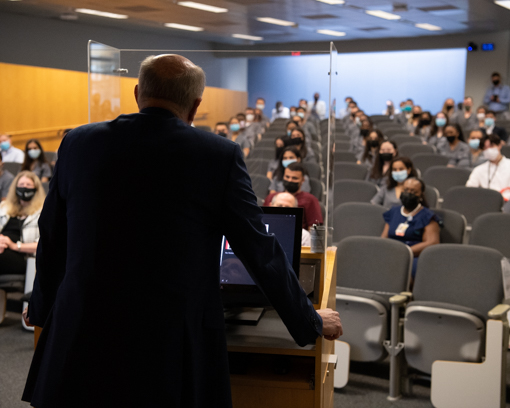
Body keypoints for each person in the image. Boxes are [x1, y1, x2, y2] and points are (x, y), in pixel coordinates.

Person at [22, 54, 342, 408]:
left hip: (81, 332)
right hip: (167, 345)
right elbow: (259, 249)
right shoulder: (218, 155)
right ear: (195, 106)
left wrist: (39, 308)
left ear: (136, 92)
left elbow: (52, 237)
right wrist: (309, 319)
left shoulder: (78, 143)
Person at [381, 177, 441, 279]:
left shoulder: (427, 216)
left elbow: (433, 242)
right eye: (405, 190)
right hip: (390, 252)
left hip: (413, 255)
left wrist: (404, 252)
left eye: (413, 191)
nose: (408, 193)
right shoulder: (393, 211)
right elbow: (384, 237)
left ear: (421, 195)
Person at [0, 171, 45, 278]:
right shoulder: (4, 206)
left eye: (28, 185)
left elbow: (43, 244)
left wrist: (14, 245)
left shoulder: (43, 211)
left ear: (36, 189)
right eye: (21, 185)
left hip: (23, 257)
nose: (24, 187)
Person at [264, 162, 323, 230]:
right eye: (287, 177)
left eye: (294, 178)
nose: (290, 180)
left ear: (303, 180)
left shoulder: (310, 200)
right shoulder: (271, 197)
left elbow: (314, 229)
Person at [466, 133, 510, 201]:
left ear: (499, 145)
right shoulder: (479, 170)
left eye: (491, 146)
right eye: (485, 148)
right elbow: (469, 189)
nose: (488, 150)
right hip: (485, 203)